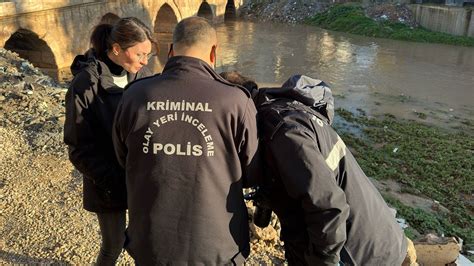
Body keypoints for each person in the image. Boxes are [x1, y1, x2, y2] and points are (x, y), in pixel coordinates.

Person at [220, 71, 416, 266]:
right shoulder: (279, 113)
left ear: (237, 108)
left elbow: (328, 206)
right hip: (374, 241)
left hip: (357, 254)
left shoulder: (283, 131)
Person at [112, 17, 260, 265]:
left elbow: (122, 158)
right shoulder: (236, 101)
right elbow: (252, 172)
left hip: (151, 241)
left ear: (171, 50)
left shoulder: (135, 95)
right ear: (214, 53)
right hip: (217, 246)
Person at [63, 17, 154, 265]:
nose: (146, 61)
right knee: (113, 244)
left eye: (149, 54)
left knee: (145, 241)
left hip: (141, 179)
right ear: (116, 49)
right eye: (140, 54)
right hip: (107, 182)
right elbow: (78, 147)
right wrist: (113, 182)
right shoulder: (85, 84)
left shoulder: (144, 76)